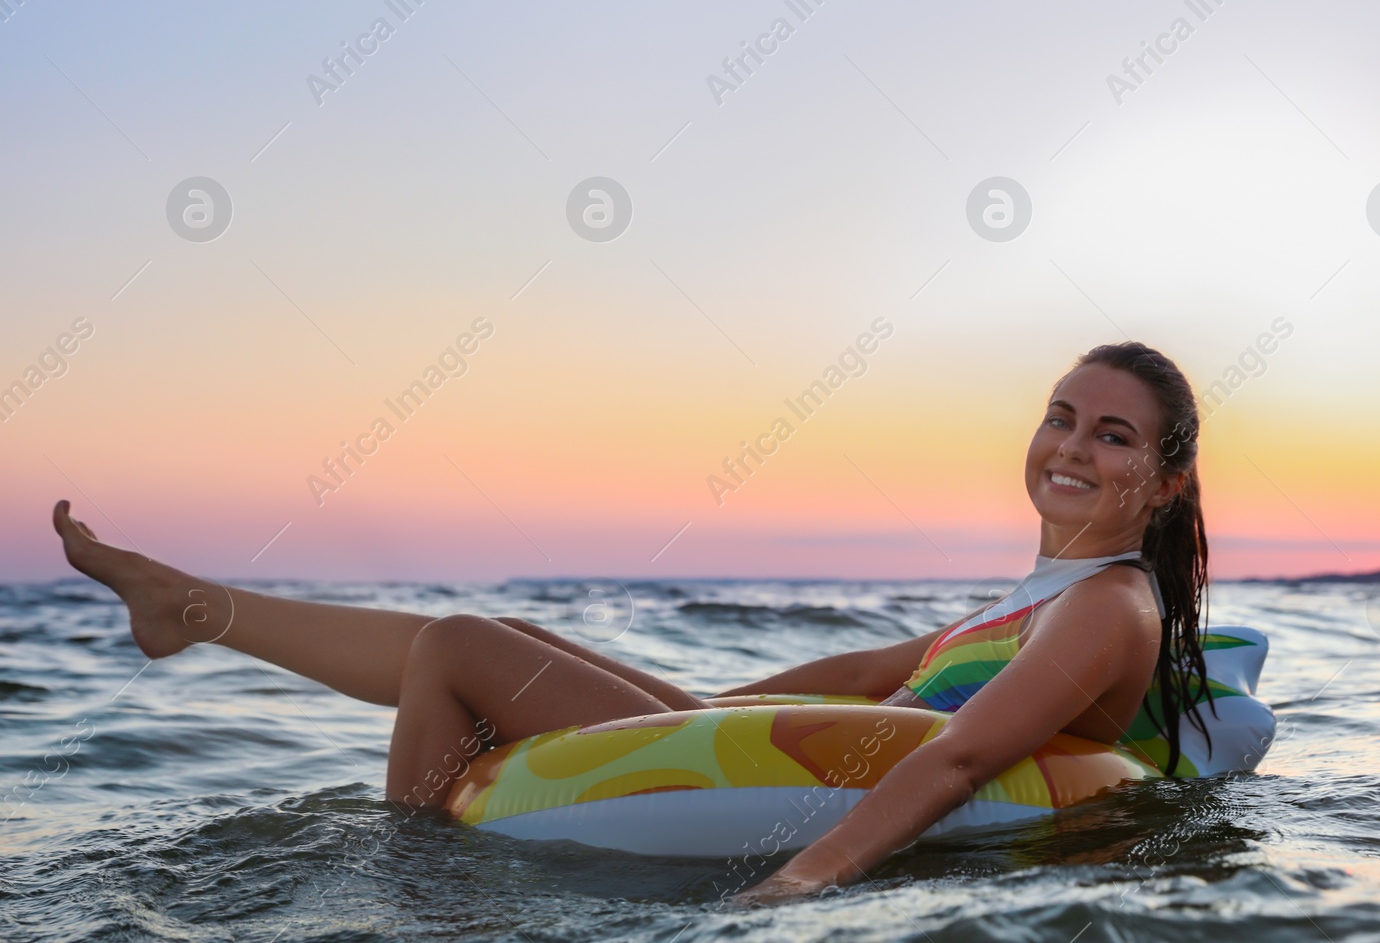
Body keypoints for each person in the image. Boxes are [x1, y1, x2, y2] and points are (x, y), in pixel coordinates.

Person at [52, 340, 1213, 907]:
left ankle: (418, 898)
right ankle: (193, 608)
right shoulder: (1025, 597)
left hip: (854, 796)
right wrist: (696, 713)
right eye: (1061, 415)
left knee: (458, 646)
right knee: (481, 640)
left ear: (1162, 482)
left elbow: (963, 752)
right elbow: (868, 670)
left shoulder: (1110, 604)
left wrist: (801, 883)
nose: (1069, 443)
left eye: (1112, 435)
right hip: (819, 750)